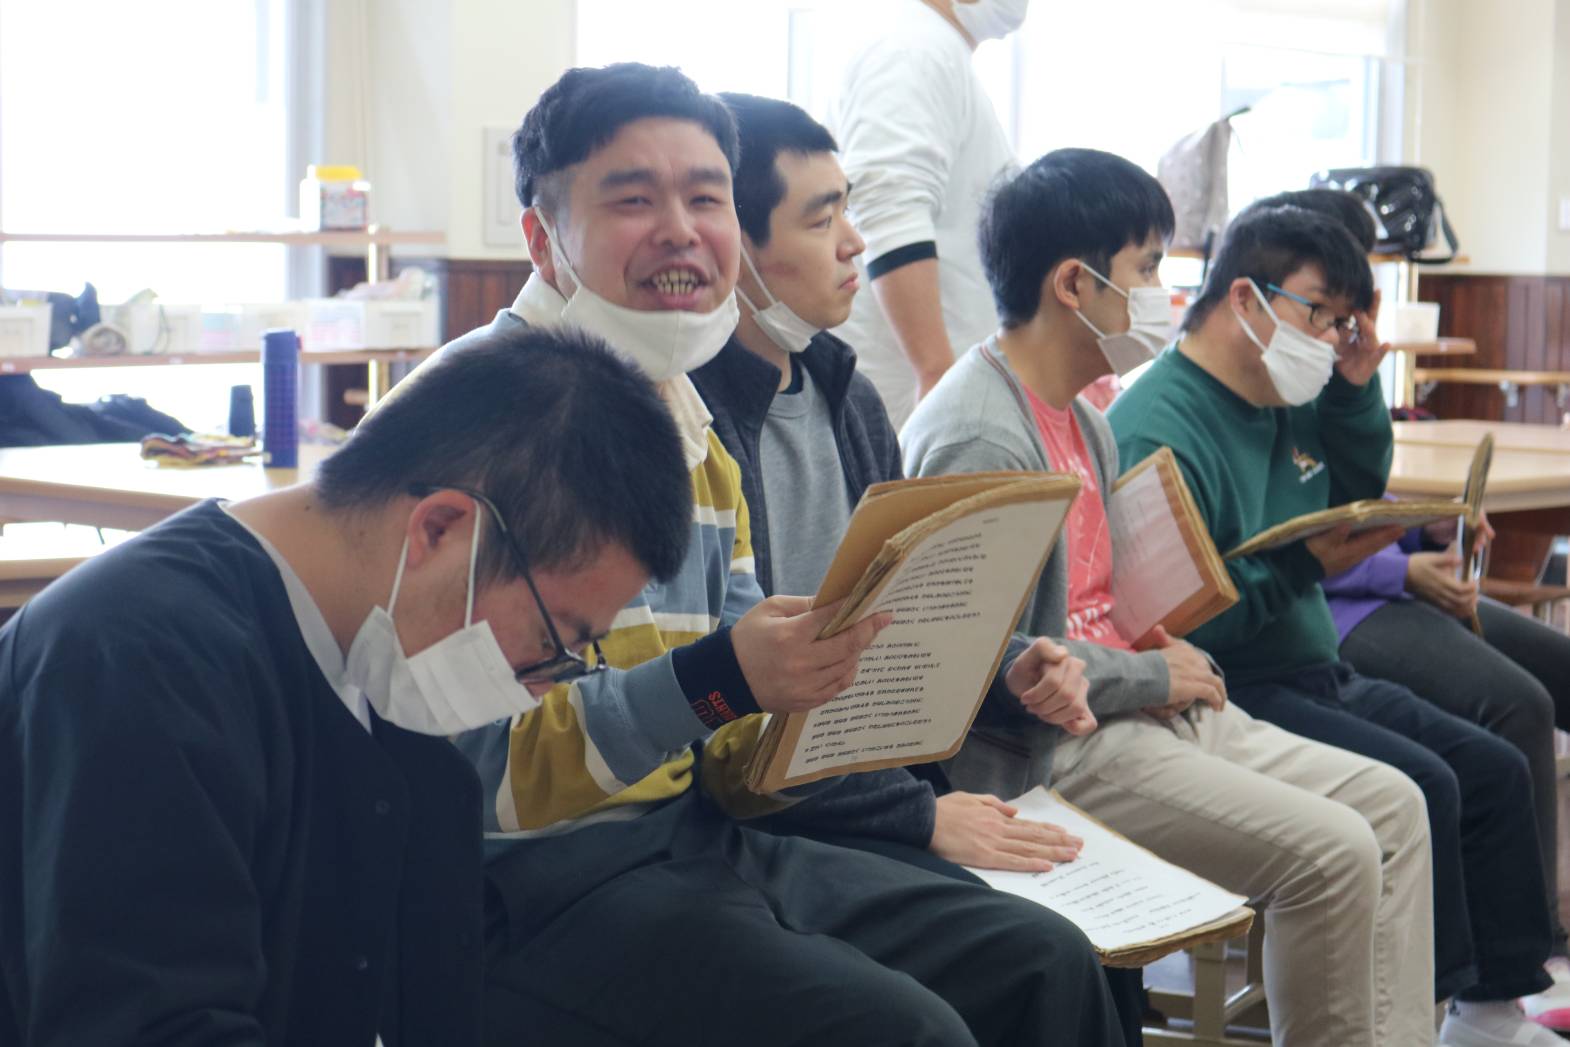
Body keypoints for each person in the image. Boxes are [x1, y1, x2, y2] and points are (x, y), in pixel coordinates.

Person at [453, 64, 1128, 1046]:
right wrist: (723, 681)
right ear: (540, 236)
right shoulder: (478, 424)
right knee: (909, 1030)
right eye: (632, 200)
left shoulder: (685, 421)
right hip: (531, 881)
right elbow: (478, 775)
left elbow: (735, 749)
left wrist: (848, 675)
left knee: (1046, 958)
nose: (681, 230)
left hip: (699, 836)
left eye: (706, 198)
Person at [0, 328, 693, 1045]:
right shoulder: (137, 661)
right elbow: (150, 1023)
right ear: (439, 527)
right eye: (553, 639)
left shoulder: (382, 673)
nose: (546, 685)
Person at [902, 147, 1436, 1047]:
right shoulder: (979, 435)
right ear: (1074, 284)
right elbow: (983, 672)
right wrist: (1151, 675)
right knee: (1335, 850)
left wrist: (1160, 650)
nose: (1160, 289)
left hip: (1140, 705)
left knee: (1396, 806)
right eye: (1146, 267)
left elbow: (1106, 599)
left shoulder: (1087, 418)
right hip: (1053, 752)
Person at [691, 92, 1146, 1044]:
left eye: (848, 209)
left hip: (878, 783)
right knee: (1046, 956)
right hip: (780, 815)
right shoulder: (696, 422)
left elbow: (904, 628)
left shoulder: (849, 397)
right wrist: (920, 818)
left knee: (1107, 950)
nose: (855, 242)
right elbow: (740, 725)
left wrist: (1011, 669)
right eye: (822, 218)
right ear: (736, 249)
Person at [1108, 202, 1561, 1047]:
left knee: (1492, 768)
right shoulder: (1159, 426)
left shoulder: (1280, 390)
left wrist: (1353, 389)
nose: (1328, 337)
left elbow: (1351, 482)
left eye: (1344, 321)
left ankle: (1490, 1016)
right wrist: (1303, 564)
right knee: (1427, 783)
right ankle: (1415, 1020)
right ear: (1246, 298)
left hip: (1314, 668)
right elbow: (1173, 624)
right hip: (1232, 686)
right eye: (1319, 314)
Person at [1246, 189, 1570, 1021]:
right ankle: (1514, 960)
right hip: (1343, 613)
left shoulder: (1329, 367)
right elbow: (1292, 543)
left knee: (1556, 673)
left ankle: (1526, 939)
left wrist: (1429, 523)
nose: (1350, 321)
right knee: (1515, 707)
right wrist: (1404, 572)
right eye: (1333, 303)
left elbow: (1353, 496)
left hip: (1376, 586)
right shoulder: (1273, 373)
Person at [828, 0, 1026, 426]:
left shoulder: (936, 50)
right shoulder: (913, 50)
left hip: (939, 385)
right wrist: (936, 373)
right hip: (913, 395)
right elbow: (889, 210)